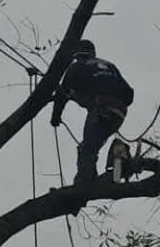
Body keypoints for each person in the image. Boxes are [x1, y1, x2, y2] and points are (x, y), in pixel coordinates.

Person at [50, 39, 135, 186]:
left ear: (76, 54)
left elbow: (61, 94)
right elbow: (129, 93)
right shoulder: (109, 65)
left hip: (101, 108)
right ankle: (119, 158)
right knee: (92, 145)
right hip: (120, 111)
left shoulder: (76, 67)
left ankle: (84, 184)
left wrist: (56, 117)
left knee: (86, 149)